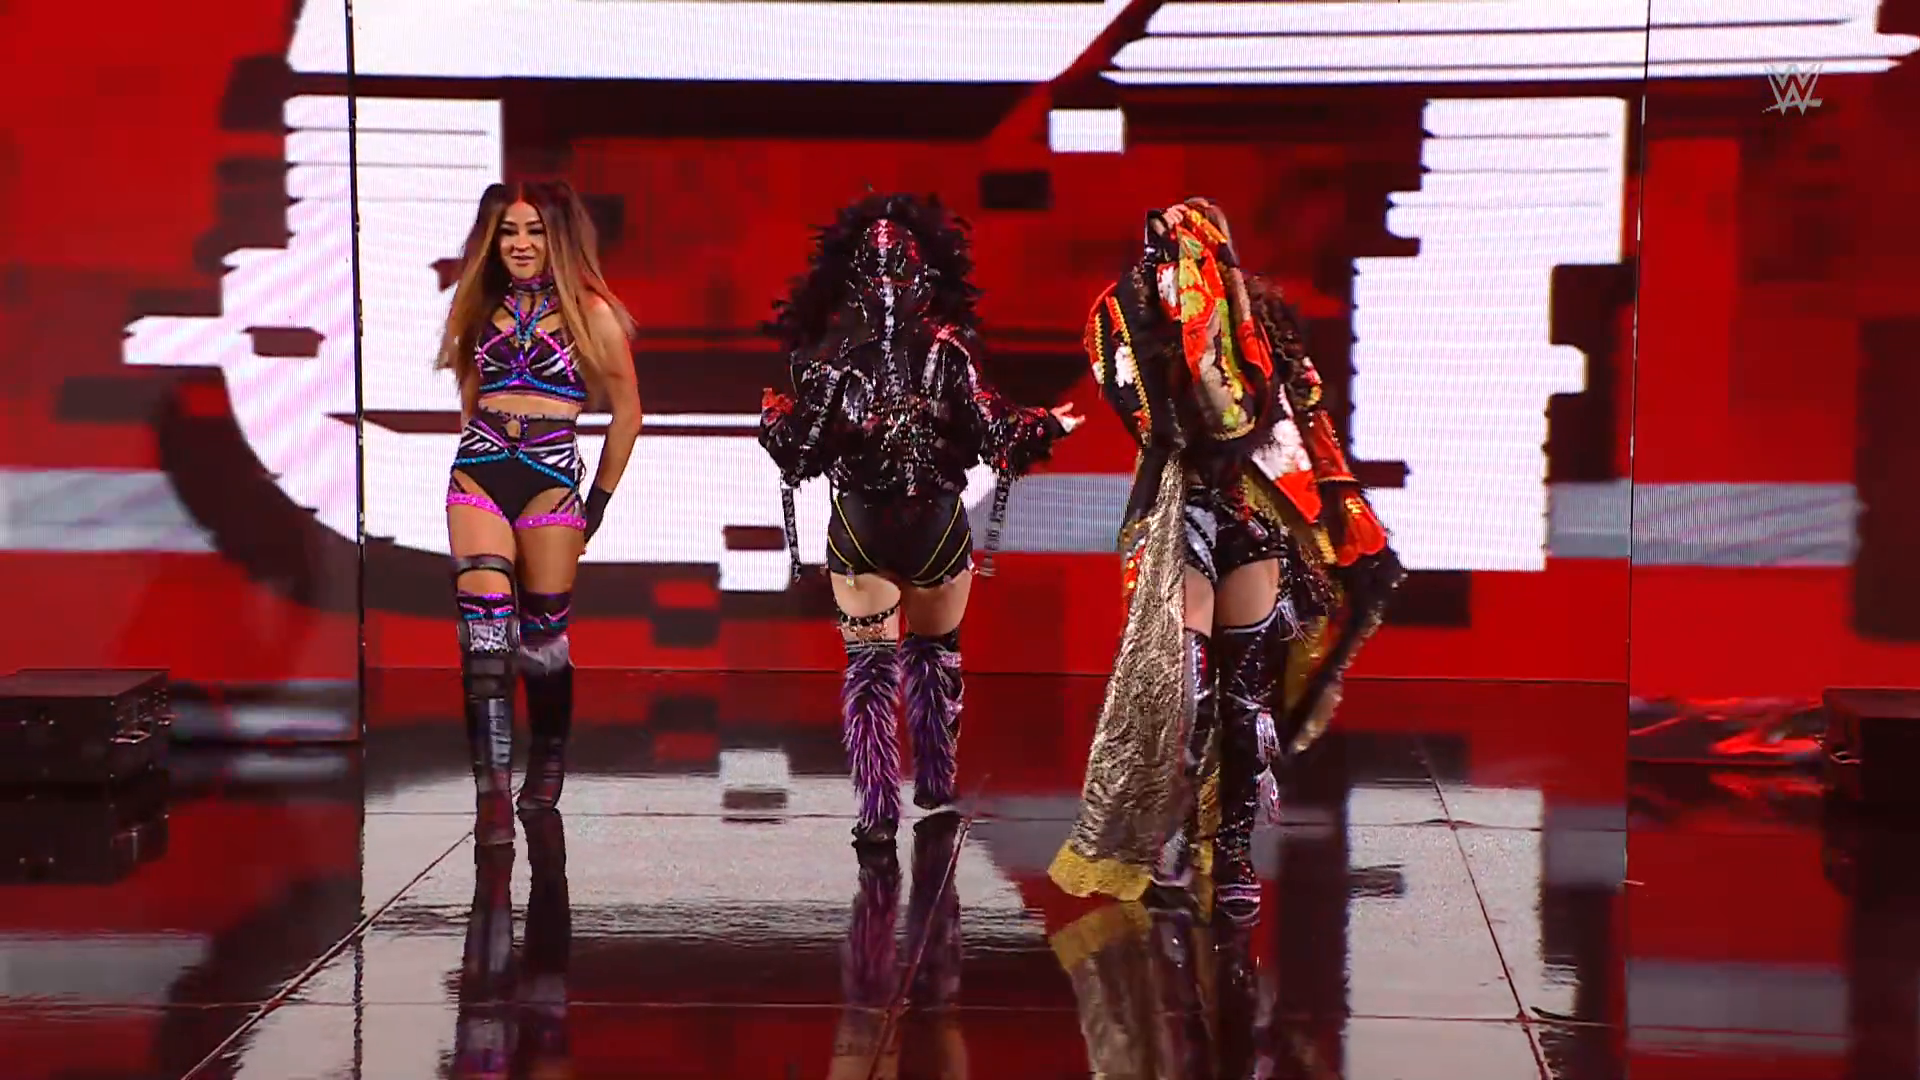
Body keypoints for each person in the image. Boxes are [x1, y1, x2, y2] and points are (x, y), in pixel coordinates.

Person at [1048, 198, 1404, 924]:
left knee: (1246, 701)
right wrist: (1182, 333)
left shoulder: (1263, 328)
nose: (1187, 265)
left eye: (1200, 255)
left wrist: (1345, 516)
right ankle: (1171, 832)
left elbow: (1306, 421)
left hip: (1256, 512)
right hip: (1178, 508)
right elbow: (1158, 419)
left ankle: (1233, 849)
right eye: (1172, 256)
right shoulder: (1125, 318)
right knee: (1186, 690)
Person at [759, 193, 1082, 846]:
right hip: (914, 530)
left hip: (881, 528)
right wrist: (1044, 425)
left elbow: (797, 451)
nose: (885, 289)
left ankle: (891, 801)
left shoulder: (843, 356)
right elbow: (997, 434)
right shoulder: (928, 353)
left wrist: (777, 418)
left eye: (893, 272)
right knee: (917, 658)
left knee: (884, 667)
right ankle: (922, 784)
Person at [438, 181, 642, 845]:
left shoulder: (593, 314)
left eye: (534, 231)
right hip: (480, 469)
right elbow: (470, 395)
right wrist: (477, 447)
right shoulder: (478, 306)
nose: (521, 245)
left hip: (552, 479)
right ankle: (492, 793)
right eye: (508, 232)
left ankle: (548, 755)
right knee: (484, 632)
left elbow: (627, 415)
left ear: (559, 237)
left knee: (544, 637)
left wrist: (597, 503)